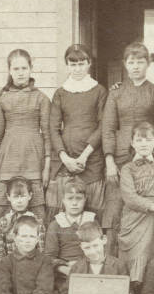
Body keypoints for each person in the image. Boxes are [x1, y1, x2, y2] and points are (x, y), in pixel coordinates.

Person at [101, 42, 154, 254]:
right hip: (119, 156)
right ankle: (111, 258)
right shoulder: (116, 93)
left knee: (143, 207)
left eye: (140, 62)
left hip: (145, 154)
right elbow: (108, 128)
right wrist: (109, 160)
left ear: (148, 64)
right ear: (125, 64)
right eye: (131, 62)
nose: (135, 66)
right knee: (115, 208)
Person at [47, 44, 109, 220]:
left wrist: (84, 156)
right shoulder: (60, 93)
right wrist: (65, 158)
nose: (77, 69)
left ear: (89, 63)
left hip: (91, 159)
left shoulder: (99, 91)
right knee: (61, 210)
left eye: (81, 64)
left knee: (93, 211)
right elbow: (53, 128)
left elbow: (103, 125)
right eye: (73, 64)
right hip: (65, 159)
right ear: (67, 66)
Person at [0, 49, 50, 221]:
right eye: (16, 69)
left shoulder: (41, 98)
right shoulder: (2, 99)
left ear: (31, 69)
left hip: (33, 160)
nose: (20, 73)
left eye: (24, 68)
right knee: (0, 212)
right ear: (9, 70)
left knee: (37, 213)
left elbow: (47, 135)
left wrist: (46, 167)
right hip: (7, 161)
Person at [118, 122, 154, 284]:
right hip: (136, 218)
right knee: (136, 263)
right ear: (132, 143)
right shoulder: (127, 168)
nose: (143, 144)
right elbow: (130, 198)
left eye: (148, 140)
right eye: (139, 140)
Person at [45, 178, 98, 293]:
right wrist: (65, 268)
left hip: (89, 271)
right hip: (64, 274)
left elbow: (99, 250)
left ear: (85, 199)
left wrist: (84, 267)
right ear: (63, 200)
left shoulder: (92, 221)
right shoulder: (56, 224)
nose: (74, 203)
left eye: (78, 198)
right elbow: (49, 256)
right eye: (70, 198)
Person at [0, 177, 46, 261]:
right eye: (15, 197)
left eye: (23, 196)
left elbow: (41, 250)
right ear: (8, 197)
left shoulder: (37, 222)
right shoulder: (2, 222)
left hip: (31, 264)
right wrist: (4, 265)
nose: (19, 201)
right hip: (8, 265)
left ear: (30, 196)